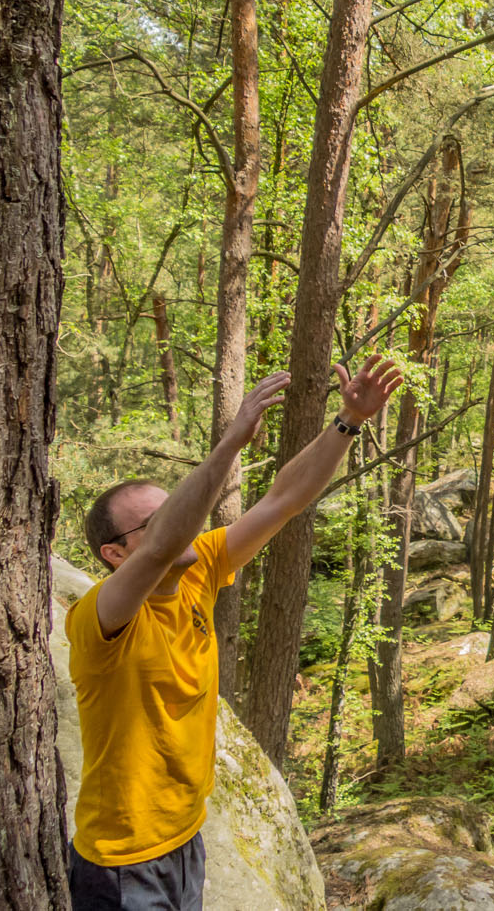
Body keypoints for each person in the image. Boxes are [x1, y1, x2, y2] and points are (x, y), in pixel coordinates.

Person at [64, 357, 404, 911]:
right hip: (123, 862)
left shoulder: (199, 568)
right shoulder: (101, 617)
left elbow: (283, 500)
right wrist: (228, 448)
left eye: (178, 507)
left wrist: (346, 422)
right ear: (114, 553)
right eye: (163, 516)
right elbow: (156, 549)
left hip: (185, 839)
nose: (187, 522)